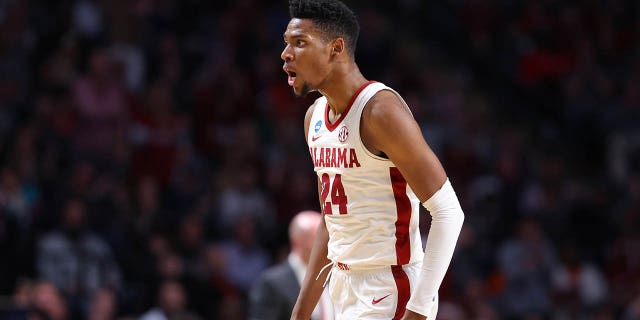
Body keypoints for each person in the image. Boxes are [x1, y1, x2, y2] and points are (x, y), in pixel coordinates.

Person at [280, 1, 465, 319]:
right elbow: (331, 221)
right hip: (342, 286)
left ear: (335, 48)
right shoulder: (314, 118)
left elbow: (449, 213)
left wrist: (418, 311)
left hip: (390, 289)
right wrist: (300, 314)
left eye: (299, 43)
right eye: (286, 43)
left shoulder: (380, 111)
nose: (285, 54)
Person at [248, 210, 333, 320]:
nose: (328, 243)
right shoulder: (272, 282)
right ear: (297, 241)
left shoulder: (335, 275)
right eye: (320, 238)